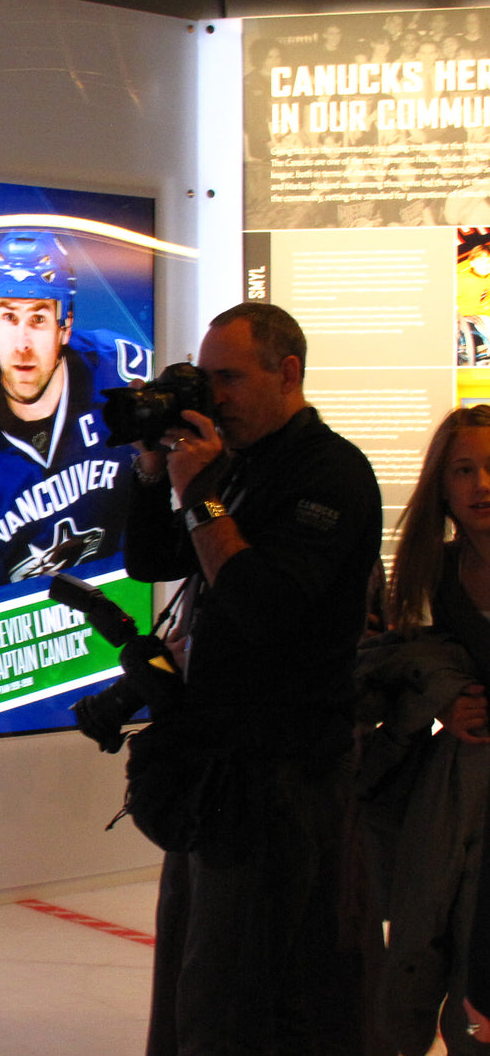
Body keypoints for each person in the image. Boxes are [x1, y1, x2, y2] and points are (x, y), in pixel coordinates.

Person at [123, 301, 382, 1053]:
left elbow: (261, 606)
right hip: (216, 771)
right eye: (203, 380)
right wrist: (150, 475)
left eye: (228, 379)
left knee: (233, 1004)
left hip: (282, 779)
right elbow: (152, 563)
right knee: (190, 990)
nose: (212, 398)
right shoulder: (232, 466)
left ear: (287, 372)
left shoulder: (330, 473)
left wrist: (200, 498)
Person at [0, 230, 152, 614]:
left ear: (65, 325)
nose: (21, 343)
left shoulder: (121, 373)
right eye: (9, 316)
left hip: (139, 612)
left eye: (38, 318)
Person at [358, 406, 490, 1053]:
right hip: (450, 796)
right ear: (441, 484)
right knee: (414, 953)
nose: (481, 485)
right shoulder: (430, 572)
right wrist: (444, 694)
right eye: (463, 470)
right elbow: (385, 669)